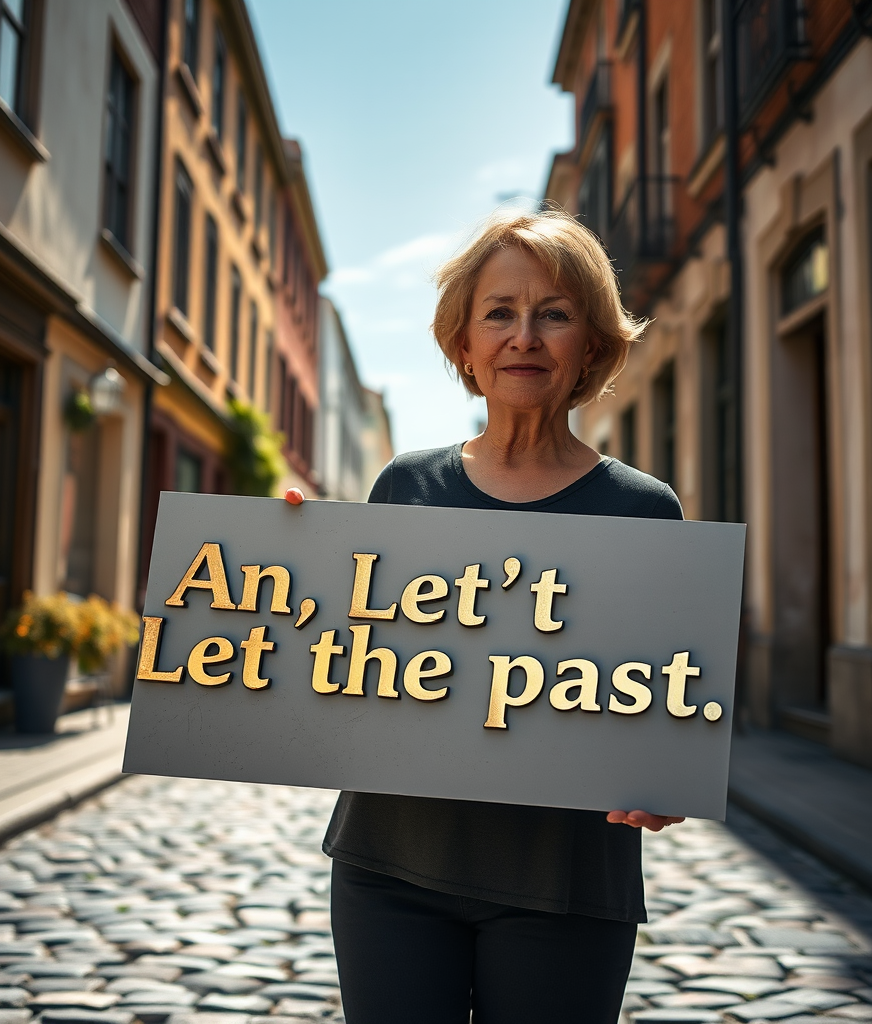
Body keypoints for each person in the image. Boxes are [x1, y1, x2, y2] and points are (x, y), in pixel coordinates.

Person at [286, 210, 684, 1023]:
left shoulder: (644, 512)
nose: (524, 337)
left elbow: (665, 705)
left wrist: (665, 774)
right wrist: (285, 562)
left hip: (567, 886)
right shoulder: (405, 485)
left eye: (555, 313)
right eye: (499, 312)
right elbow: (348, 670)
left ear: (592, 344)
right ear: (463, 343)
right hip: (390, 870)